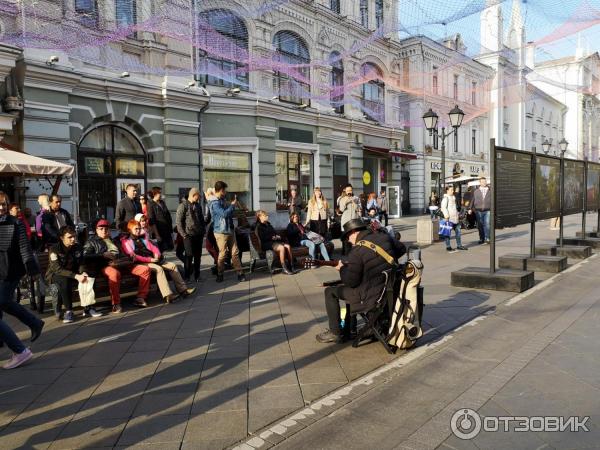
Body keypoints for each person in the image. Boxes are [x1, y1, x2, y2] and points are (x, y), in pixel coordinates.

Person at [315, 218, 397, 344]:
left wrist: (341, 268)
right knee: (347, 286)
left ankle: (335, 332)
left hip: (370, 296)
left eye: (347, 237)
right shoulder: (383, 237)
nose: (348, 241)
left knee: (330, 291)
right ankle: (350, 328)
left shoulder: (357, 251)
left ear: (353, 233)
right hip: (388, 289)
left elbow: (351, 282)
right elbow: (401, 249)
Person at [0, 192, 45, 369]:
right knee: (4, 303)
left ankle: (20, 350)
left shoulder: (16, 222)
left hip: (11, 271)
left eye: (4, 204)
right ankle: (34, 324)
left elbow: (24, 247)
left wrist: (32, 268)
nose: (1, 207)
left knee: (2, 301)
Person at [82, 219, 151, 312]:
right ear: (96, 230)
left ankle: (140, 298)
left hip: (122, 263)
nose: (104, 230)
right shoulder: (92, 241)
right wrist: (102, 255)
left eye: (106, 228)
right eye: (101, 228)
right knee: (114, 274)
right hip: (107, 265)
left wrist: (130, 255)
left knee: (145, 269)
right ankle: (116, 303)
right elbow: (85, 256)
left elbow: (124, 249)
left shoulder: (115, 240)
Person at [121, 220, 196, 304]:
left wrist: (157, 254)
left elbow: (153, 247)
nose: (138, 231)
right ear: (130, 230)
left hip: (153, 260)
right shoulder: (126, 241)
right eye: (136, 229)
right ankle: (168, 295)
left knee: (172, 265)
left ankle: (183, 290)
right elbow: (134, 256)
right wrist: (150, 260)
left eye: (139, 228)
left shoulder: (142, 238)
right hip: (141, 262)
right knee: (158, 269)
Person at [45, 226, 90, 323]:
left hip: (73, 274)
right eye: (70, 237)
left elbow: (81, 263)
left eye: (74, 236)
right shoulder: (54, 249)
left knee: (87, 278)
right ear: (62, 238)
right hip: (56, 275)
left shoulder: (78, 247)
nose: (73, 239)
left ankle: (88, 307)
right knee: (64, 281)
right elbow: (57, 269)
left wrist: (83, 272)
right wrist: (76, 276)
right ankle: (69, 311)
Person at [208, 181, 246, 283]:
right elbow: (224, 214)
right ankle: (220, 274)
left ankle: (240, 273)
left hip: (229, 229)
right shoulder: (214, 203)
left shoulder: (222, 199)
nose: (225, 192)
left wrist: (233, 206)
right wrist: (232, 205)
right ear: (221, 190)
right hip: (220, 231)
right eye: (224, 190)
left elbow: (229, 213)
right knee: (223, 253)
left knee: (235, 252)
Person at [176, 187, 206, 282]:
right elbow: (178, 222)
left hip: (198, 235)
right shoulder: (183, 205)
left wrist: (203, 230)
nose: (199, 198)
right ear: (193, 195)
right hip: (188, 235)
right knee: (189, 256)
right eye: (198, 196)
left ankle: (197, 276)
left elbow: (201, 219)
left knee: (198, 256)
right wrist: (184, 234)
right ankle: (187, 276)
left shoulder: (198, 206)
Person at [256, 210, 295, 275]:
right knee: (282, 248)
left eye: (266, 215)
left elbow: (274, 233)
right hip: (266, 244)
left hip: (274, 242)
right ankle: (284, 268)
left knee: (288, 246)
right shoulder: (259, 226)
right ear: (260, 217)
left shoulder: (268, 224)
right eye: (265, 215)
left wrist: (277, 236)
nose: (267, 216)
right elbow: (262, 238)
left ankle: (291, 266)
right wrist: (272, 237)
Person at [441, 186, 467, 252]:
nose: (453, 191)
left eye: (453, 190)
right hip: (449, 218)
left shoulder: (453, 197)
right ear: (447, 190)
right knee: (447, 233)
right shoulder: (445, 198)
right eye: (451, 190)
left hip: (455, 218)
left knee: (458, 232)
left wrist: (457, 215)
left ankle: (459, 245)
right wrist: (446, 216)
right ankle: (448, 246)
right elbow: (443, 208)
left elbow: (454, 208)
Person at [147, 187, 174, 251]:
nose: (161, 194)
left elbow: (167, 215)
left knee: (168, 248)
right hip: (159, 231)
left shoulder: (162, 202)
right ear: (155, 194)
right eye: (159, 193)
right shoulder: (151, 204)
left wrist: (171, 230)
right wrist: (157, 234)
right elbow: (152, 220)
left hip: (166, 230)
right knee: (160, 250)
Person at [338, 184, 362, 254]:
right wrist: (346, 201)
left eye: (350, 190)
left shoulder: (356, 198)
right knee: (346, 238)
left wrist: (355, 204)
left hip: (354, 221)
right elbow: (341, 210)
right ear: (345, 191)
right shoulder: (342, 198)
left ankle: (352, 253)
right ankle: (346, 253)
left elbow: (360, 208)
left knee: (354, 237)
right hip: (346, 220)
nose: (349, 192)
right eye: (348, 190)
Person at [471, 177, 491, 244]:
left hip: (488, 209)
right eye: (482, 182)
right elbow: (472, 200)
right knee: (480, 225)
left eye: (485, 181)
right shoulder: (476, 190)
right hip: (478, 210)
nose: (484, 183)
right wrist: (469, 208)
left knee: (487, 224)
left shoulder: (490, 189)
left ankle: (487, 238)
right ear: (480, 182)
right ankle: (481, 238)